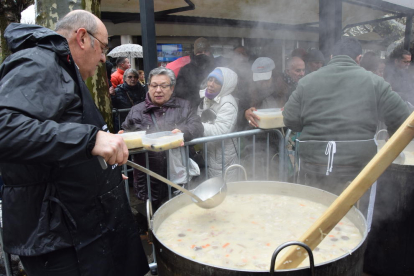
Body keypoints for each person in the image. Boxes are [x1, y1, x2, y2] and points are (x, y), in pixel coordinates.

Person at [0, 10, 149, 276]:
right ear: (82, 37)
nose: (104, 57)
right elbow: (6, 128)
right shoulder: (38, 62)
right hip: (58, 237)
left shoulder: (63, 67)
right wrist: (90, 139)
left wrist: (100, 174)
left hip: (81, 223)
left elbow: (57, 139)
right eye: (103, 47)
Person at [283, 37, 409, 198]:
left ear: (331, 57)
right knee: (353, 212)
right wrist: (391, 135)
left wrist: (310, 125)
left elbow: (290, 118)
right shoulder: (375, 82)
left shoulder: (307, 81)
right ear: (359, 58)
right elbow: (404, 118)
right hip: (357, 166)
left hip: (314, 163)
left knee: (314, 206)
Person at [122, 67, 203, 210]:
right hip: (148, 175)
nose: (158, 90)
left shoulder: (184, 106)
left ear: (172, 88)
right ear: (148, 87)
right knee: (151, 214)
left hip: (177, 175)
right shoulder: (137, 110)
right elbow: (126, 132)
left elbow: (197, 126)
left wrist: (182, 132)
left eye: (164, 86)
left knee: (180, 211)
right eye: (154, 85)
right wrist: (122, 136)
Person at [197, 68, 239, 181]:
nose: (211, 84)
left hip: (223, 157)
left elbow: (221, 131)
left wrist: (197, 127)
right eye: (210, 80)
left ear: (225, 85)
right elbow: (199, 117)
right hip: (211, 153)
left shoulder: (228, 103)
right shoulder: (206, 98)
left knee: (226, 189)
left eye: (217, 82)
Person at [245, 56, 305, 128]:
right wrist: (245, 114)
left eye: (266, 79)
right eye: (259, 79)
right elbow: (240, 117)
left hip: (278, 135)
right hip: (256, 136)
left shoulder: (286, 91)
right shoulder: (248, 93)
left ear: (274, 77)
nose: (261, 82)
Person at [174, 37, 216, 108]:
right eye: (199, 52)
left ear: (210, 52)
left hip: (214, 108)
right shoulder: (185, 70)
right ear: (195, 53)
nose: (203, 54)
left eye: (206, 51)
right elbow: (179, 93)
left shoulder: (217, 68)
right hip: (192, 110)